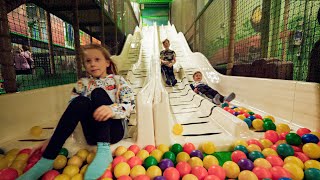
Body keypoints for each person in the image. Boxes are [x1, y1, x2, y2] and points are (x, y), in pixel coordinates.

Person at [18, 44, 135, 180]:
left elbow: (130, 104)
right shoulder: (82, 84)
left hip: (114, 132)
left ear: (107, 62)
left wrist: (111, 109)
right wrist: (53, 138)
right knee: (79, 101)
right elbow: (70, 115)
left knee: (98, 93)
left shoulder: (118, 80)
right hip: (91, 135)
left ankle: (104, 152)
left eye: (97, 60)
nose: (92, 64)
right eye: (88, 61)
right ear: (84, 65)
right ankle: (47, 160)